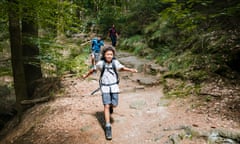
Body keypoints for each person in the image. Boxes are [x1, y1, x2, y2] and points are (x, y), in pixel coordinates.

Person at [82, 46, 137, 140]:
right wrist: (86, 75)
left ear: (113, 55)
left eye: (111, 54)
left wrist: (131, 70)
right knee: (106, 105)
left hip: (114, 86)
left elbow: (122, 68)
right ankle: (108, 127)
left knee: (114, 104)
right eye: (107, 54)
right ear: (104, 55)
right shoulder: (101, 63)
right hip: (105, 87)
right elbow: (93, 70)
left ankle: (112, 106)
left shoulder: (115, 62)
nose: (109, 56)